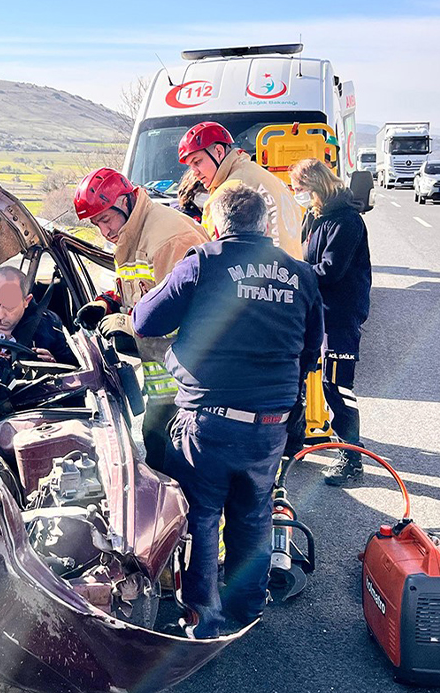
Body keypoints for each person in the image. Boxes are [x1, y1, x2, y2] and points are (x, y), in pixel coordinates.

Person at [132, 182, 324, 638]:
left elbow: (144, 320)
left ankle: (205, 618)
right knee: (253, 513)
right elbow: (312, 350)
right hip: (271, 424)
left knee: (200, 516)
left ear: (216, 224)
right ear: (264, 225)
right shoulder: (301, 274)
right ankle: (247, 608)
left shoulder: (205, 261)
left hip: (209, 421)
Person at [72, 167, 209, 472]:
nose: (104, 232)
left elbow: (190, 312)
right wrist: (105, 304)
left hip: (192, 380)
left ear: (125, 201)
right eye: (97, 224)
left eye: (105, 219)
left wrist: (129, 325)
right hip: (167, 380)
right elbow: (137, 289)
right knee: (158, 449)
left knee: (178, 464)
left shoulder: (167, 239)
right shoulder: (134, 233)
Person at [288, 158, 372, 486]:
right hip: (318, 312)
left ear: (316, 186)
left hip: (340, 315)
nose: (298, 195)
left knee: (337, 387)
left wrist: (294, 274)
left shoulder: (346, 221)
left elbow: (330, 270)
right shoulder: (317, 216)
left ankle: (351, 459)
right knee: (307, 378)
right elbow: (308, 258)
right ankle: (295, 443)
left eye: (300, 189)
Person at [178, 121, 305, 258]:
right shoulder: (261, 175)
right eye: (191, 166)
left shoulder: (226, 195)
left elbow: (211, 256)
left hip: (260, 276)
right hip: (291, 272)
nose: (194, 172)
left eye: (197, 162)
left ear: (219, 151)